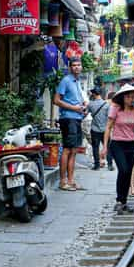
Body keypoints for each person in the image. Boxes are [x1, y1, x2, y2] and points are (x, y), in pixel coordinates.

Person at [101, 84, 134, 213]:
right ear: (123, 98)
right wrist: (104, 147)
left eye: (133, 97)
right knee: (123, 170)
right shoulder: (115, 109)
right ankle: (119, 200)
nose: (131, 99)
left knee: (127, 173)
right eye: (129, 97)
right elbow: (108, 127)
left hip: (131, 144)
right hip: (117, 144)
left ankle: (123, 202)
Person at [53, 57, 86, 191]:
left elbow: (74, 100)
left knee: (74, 150)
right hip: (68, 118)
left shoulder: (77, 81)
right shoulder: (66, 81)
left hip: (77, 118)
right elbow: (56, 100)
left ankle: (71, 181)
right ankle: (62, 181)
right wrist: (74, 108)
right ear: (70, 67)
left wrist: (82, 105)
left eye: (79, 65)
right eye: (74, 65)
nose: (77, 67)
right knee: (67, 149)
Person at [86, 88, 110, 170]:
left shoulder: (90, 104)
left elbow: (85, 114)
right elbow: (109, 117)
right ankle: (110, 164)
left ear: (94, 94)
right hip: (105, 130)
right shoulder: (106, 104)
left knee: (95, 147)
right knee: (107, 146)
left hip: (94, 129)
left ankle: (97, 165)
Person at [105, 91, 116, 171]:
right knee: (109, 147)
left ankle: (98, 162)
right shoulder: (113, 106)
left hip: (99, 128)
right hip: (108, 129)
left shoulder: (104, 103)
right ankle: (109, 164)